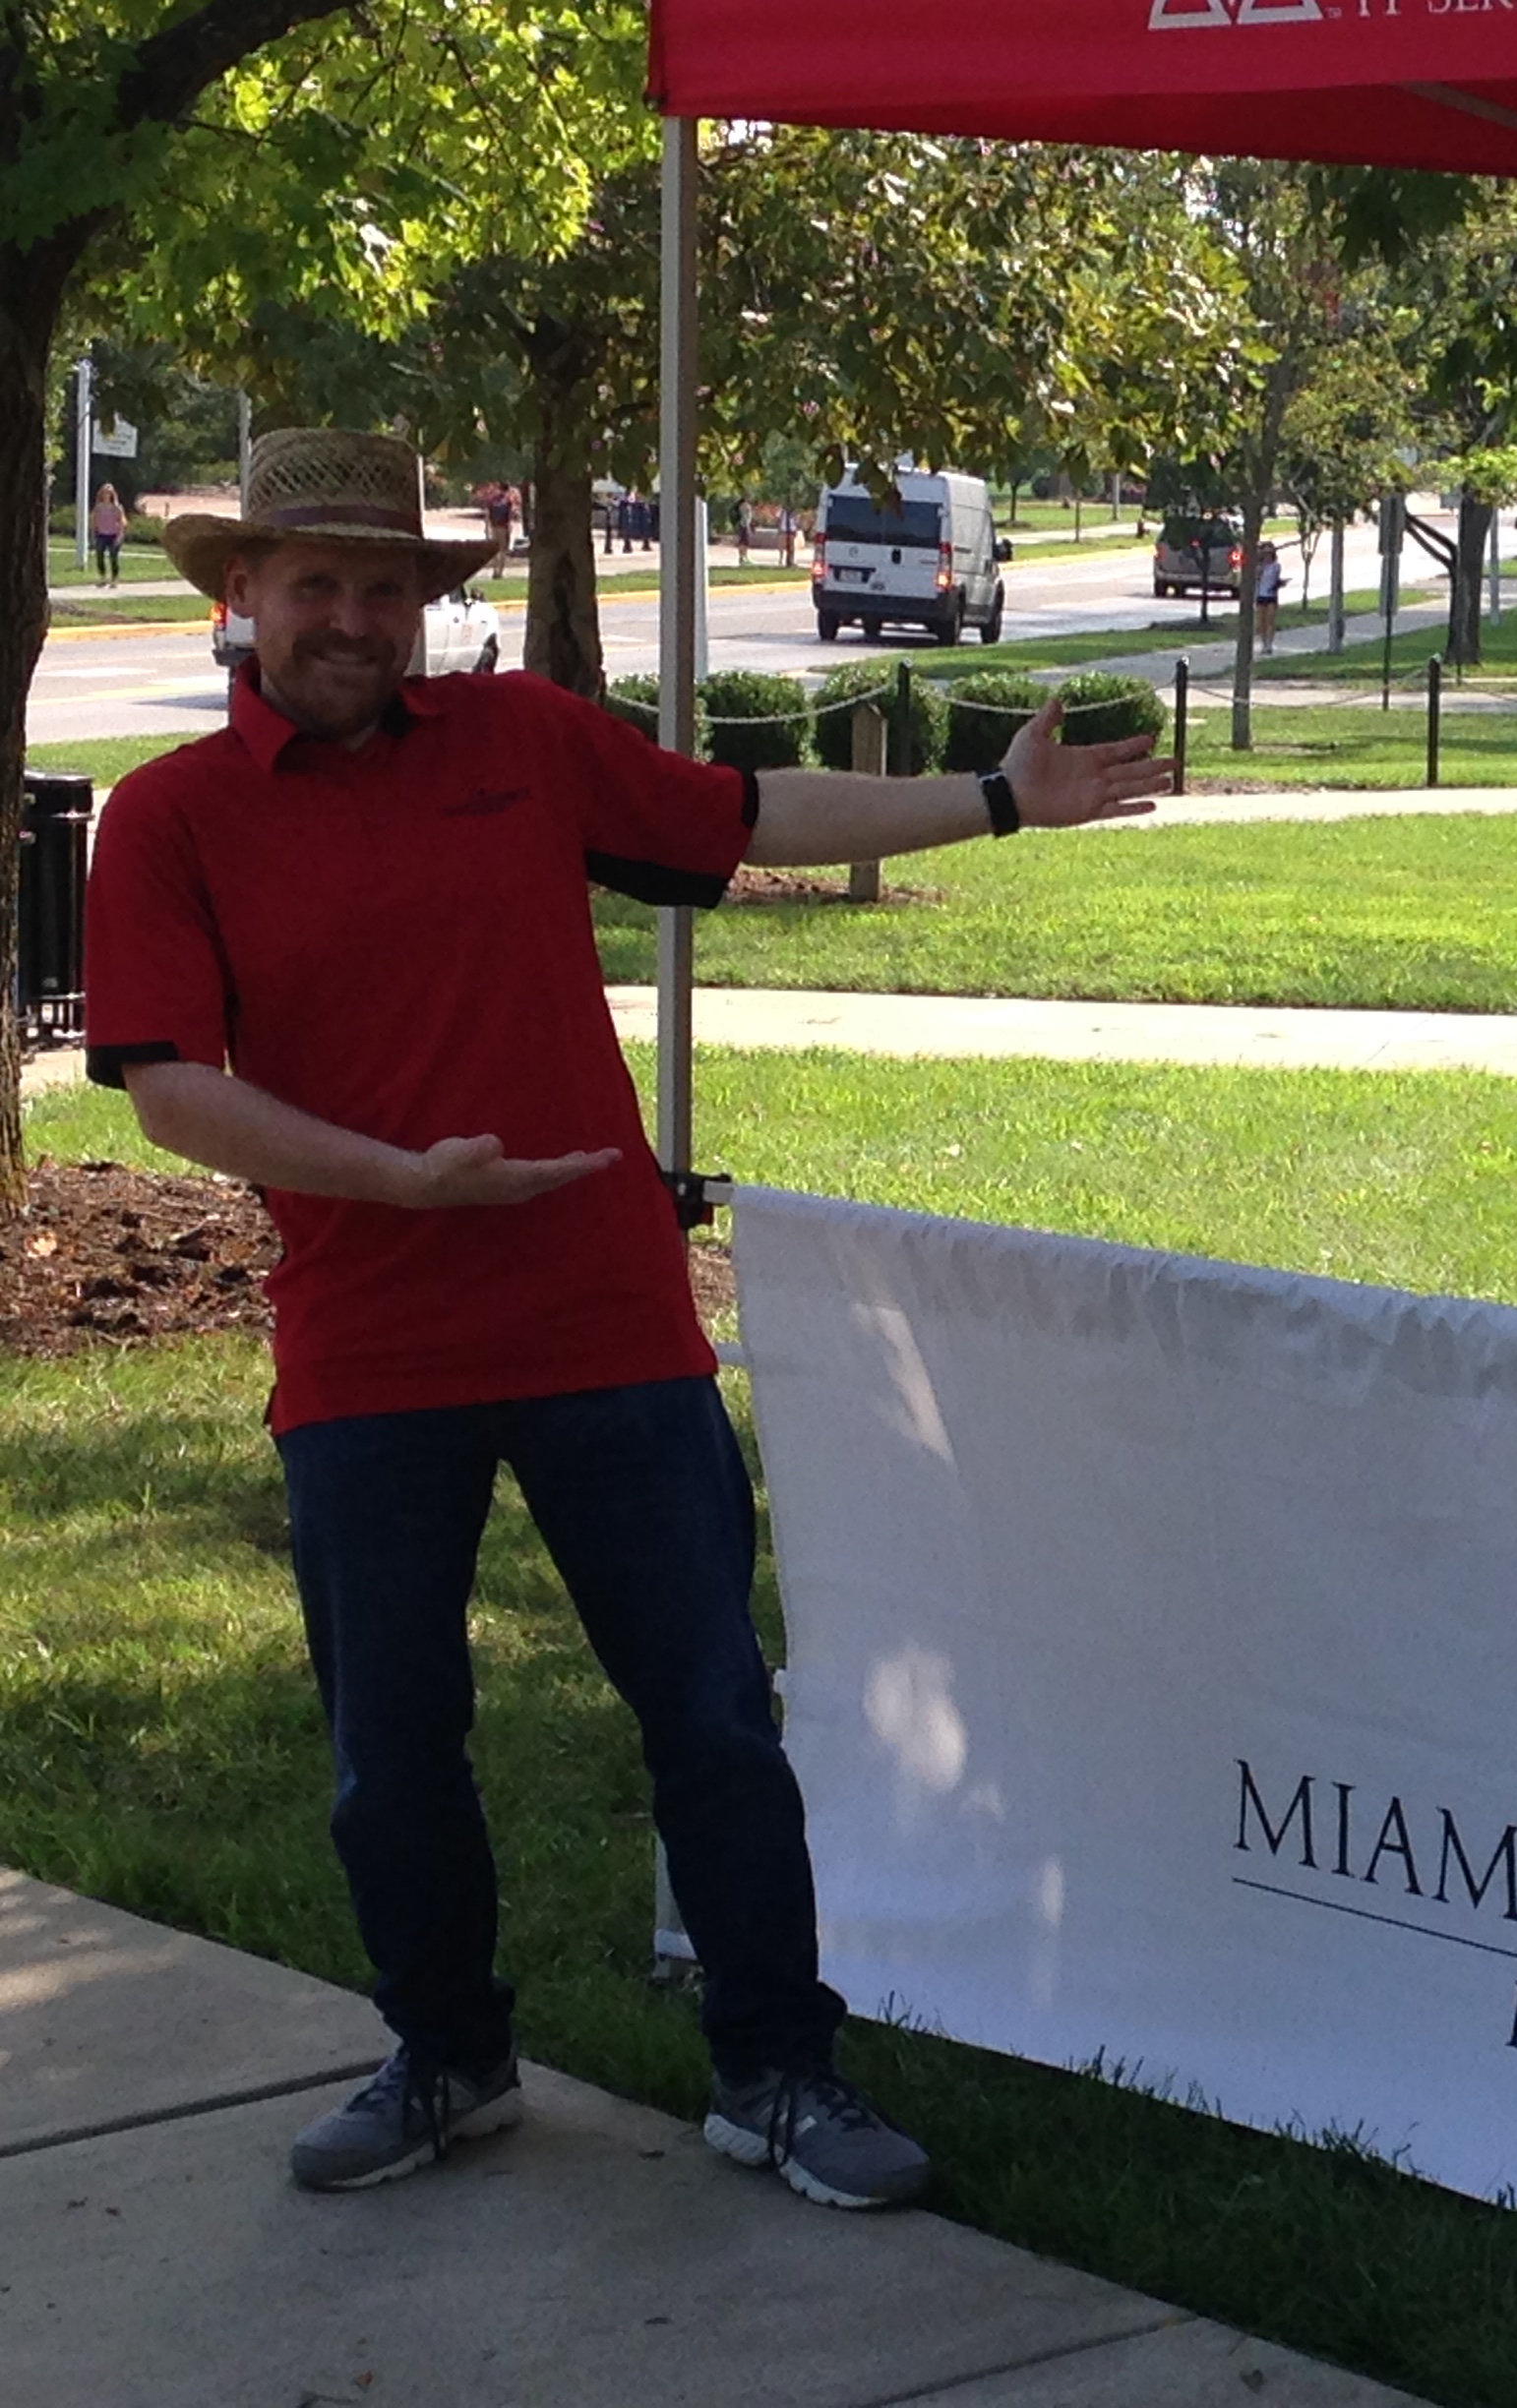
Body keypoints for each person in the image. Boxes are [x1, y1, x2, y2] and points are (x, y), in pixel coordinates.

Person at [86, 429, 1175, 2207]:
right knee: (389, 1751)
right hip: (370, 1350)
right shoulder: (170, 818)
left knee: (713, 1713)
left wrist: (994, 799)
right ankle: (446, 2052)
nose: (354, 618)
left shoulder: (519, 743)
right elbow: (165, 1085)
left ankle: (776, 2069)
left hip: (610, 1324)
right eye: (315, 585)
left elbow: (741, 820)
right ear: (240, 601)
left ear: (425, 609)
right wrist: (391, 1175)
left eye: (385, 588)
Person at [88, 482, 125, 585]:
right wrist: (93, 535)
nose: (106, 495)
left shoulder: (117, 507)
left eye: (109, 493)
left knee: (113, 557)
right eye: (104, 493)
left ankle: (114, 578)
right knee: (99, 555)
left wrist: (120, 535)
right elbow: (94, 521)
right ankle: (102, 577)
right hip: (101, 534)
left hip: (113, 535)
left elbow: (122, 522)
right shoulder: (98, 508)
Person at [1253, 539, 1283, 654]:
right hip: (1260, 595)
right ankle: (1263, 642)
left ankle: (1269, 645)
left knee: (1270, 621)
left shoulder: (1276, 566)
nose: (1267, 556)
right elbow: (1256, 577)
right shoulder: (1259, 567)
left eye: (1269, 554)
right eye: (1265, 554)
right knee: (1261, 622)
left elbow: (1276, 579)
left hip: (1271, 596)